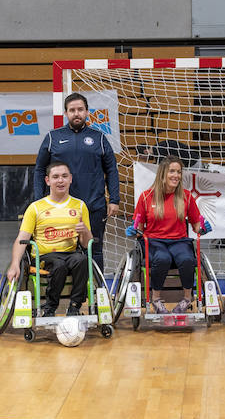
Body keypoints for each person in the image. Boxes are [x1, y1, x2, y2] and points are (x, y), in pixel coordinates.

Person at [35, 92, 119, 269]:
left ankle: (97, 291)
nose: (76, 113)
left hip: (94, 205)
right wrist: (38, 199)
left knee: (95, 249)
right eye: (72, 110)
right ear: (66, 113)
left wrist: (114, 199)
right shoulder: (52, 137)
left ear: (87, 112)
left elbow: (111, 169)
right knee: (63, 251)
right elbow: (39, 169)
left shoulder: (99, 138)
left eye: (80, 109)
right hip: (60, 208)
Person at [126, 157, 212, 313]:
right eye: (172, 171)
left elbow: (196, 225)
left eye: (179, 172)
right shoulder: (146, 197)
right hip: (154, 241)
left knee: (187, 259)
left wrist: (203, 228)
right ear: (162, 174)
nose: (176, 175)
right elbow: (137, 228)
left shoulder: (186, 196)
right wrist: (133, 231)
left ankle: (187, 298)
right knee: (162, 258)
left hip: (179, 241)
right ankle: (156, 299)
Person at [7, 161, 93, 317]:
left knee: (82, 260)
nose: (60, 180)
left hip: (70, 253)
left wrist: (85, 231)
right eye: (56, 177)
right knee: (59, 265)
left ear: (71, 179)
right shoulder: (35, 207)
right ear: (48, 181)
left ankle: (75, 306)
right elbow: (22, 238)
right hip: (43, 256)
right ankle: (50, 307)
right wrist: (14, 264)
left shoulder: (80, 206)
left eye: (64, 176)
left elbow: (87, 244)